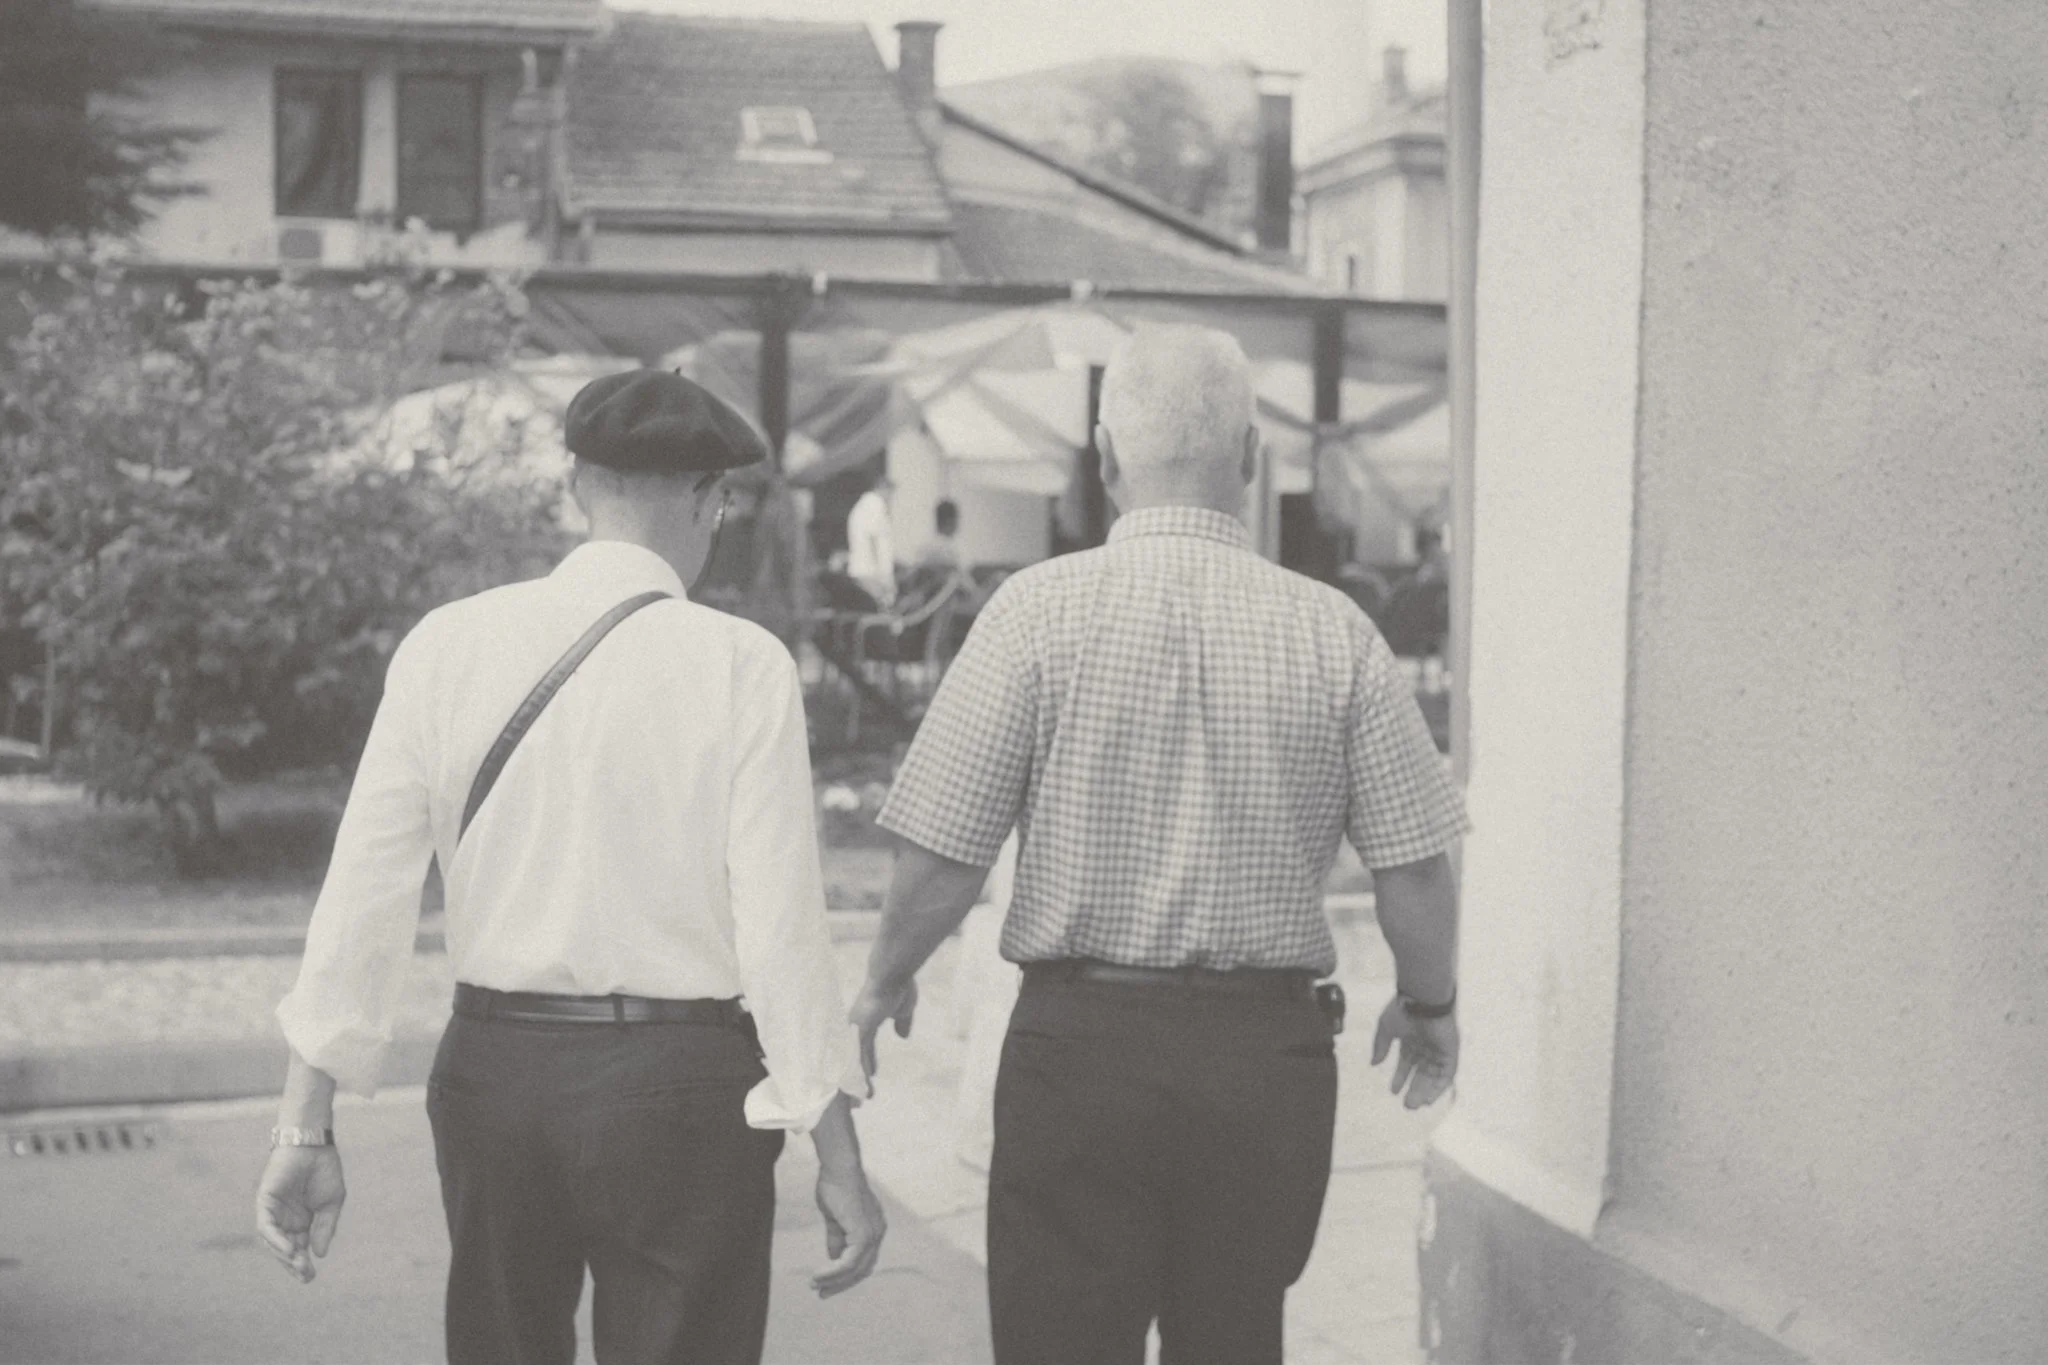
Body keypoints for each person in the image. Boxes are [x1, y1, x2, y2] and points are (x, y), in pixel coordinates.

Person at [849, 324, 1469, 1365]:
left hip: (1075, 1053)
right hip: (1260, 1064)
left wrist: (879, 983)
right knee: (1231, 1343)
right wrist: (1431, 1005)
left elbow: (943, 850)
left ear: (1102, 458)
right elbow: (1411, 865)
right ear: (1250, 458)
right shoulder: (1334, 630)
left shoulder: (1031, 613)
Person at [256, 370, 885, 1365]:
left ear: (573, 489)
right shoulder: (740, 662)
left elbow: (363, 894)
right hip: (682, 1088)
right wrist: (835, 1148)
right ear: (700, 499)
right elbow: (779, 929)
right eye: (721, 502)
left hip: (495, 1075)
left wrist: (304, 1127)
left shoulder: (446, 644)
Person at [845, 471, 896, 607]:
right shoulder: (876, 505)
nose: (890, 499)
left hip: (859, 570)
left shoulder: (861, 506)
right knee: (884, 610)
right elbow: (875, 541)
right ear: (883, 489)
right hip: (870, 572)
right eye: (890, 494)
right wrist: (883, 576)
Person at [915, 498, 962, 572]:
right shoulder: (949, 549)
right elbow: (956, 577)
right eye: (957, 520)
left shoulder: (924, 546)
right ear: (950, 521)